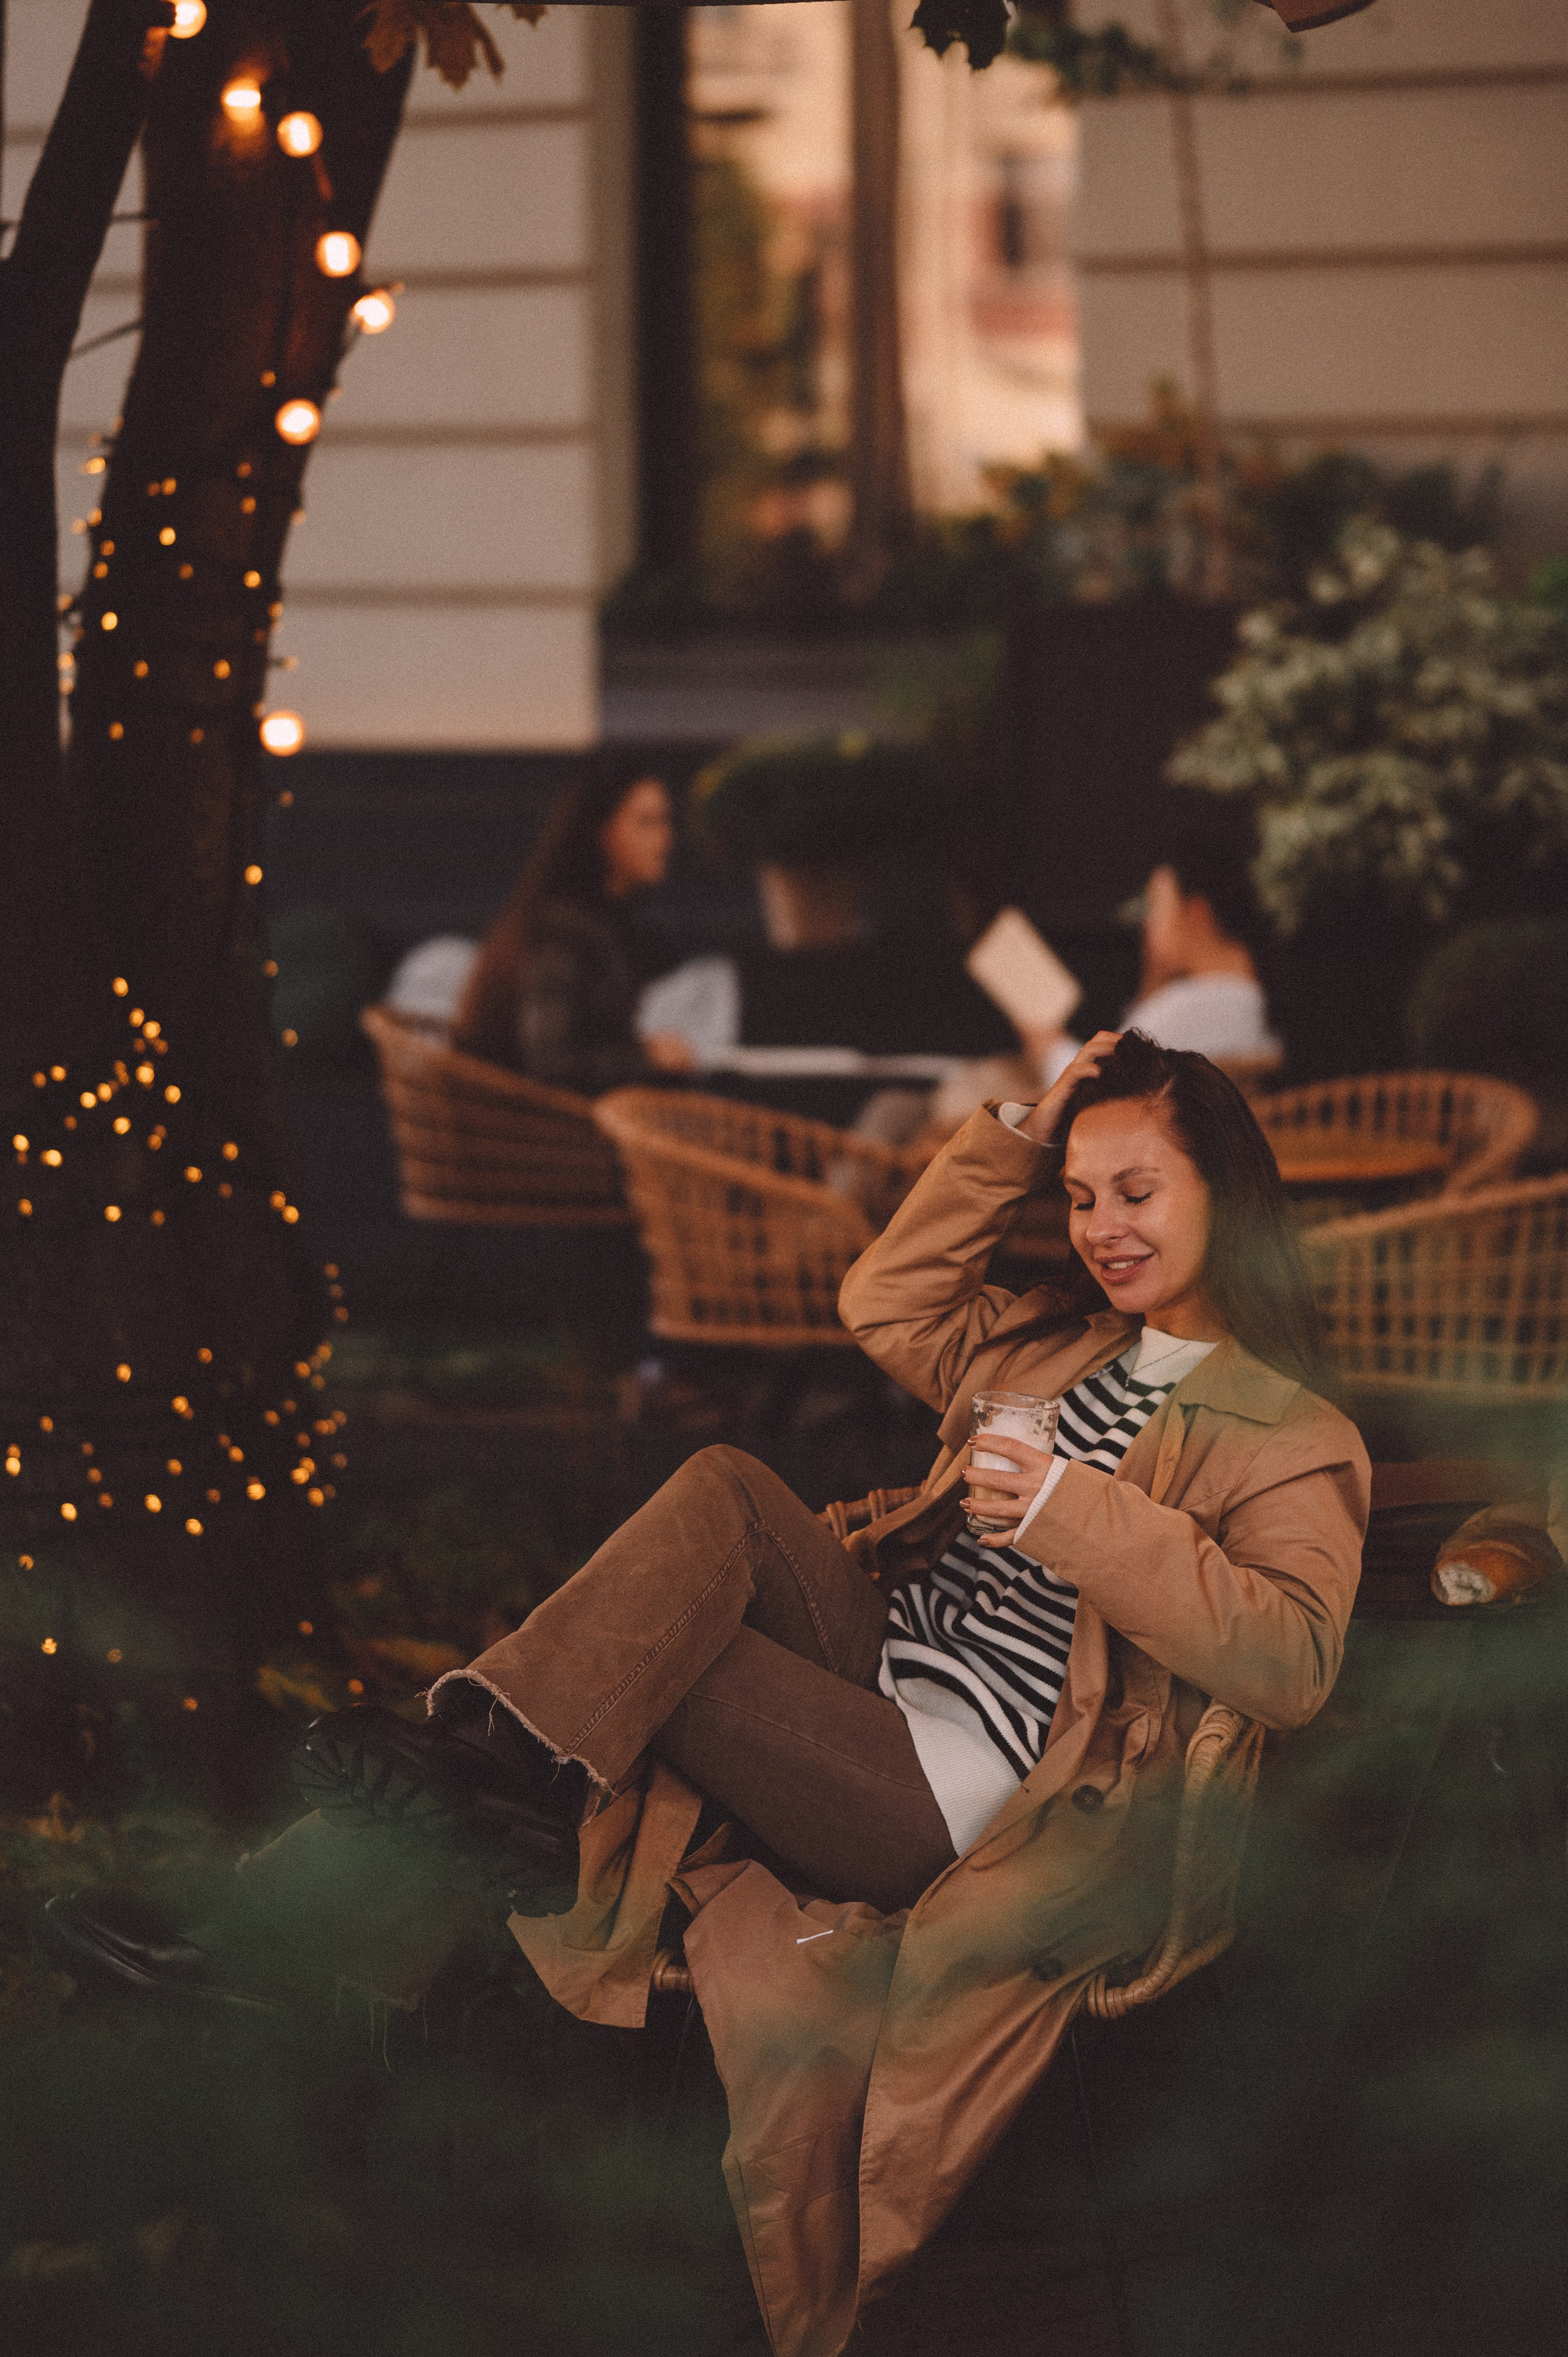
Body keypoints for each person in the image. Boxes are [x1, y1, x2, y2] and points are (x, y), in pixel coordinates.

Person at [48, 1033, 1371, 2357]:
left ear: (1223, 1195)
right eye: (1079, 1198)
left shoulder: (1288, 1429)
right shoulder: (1056, 1349)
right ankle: (466, 1794)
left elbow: (1292, 1657)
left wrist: (1074, 1512)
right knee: (727, 1486)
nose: (1100, 1229)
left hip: (979, 1787)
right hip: (873, 1674)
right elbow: (885, 1300)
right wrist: (1021, 1130)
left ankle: (295, 1901)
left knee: (660, 1670)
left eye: (1135, 1193)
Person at [451, 757, 696, 1091]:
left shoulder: (598, 919)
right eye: (648, 822)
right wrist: (647, 1057)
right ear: (602, 831)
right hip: (524, 1127)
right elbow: (551, 1063)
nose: (666, 837)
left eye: (666, 821)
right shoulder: (564, 927)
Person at [1042, 834, 1281, 1085]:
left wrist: (1047, 1044)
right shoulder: (1248, 994)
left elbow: (1100, 1085)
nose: (1147, 925)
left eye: (1156, 907)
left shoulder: (1200, 1003)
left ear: (1197, 913)